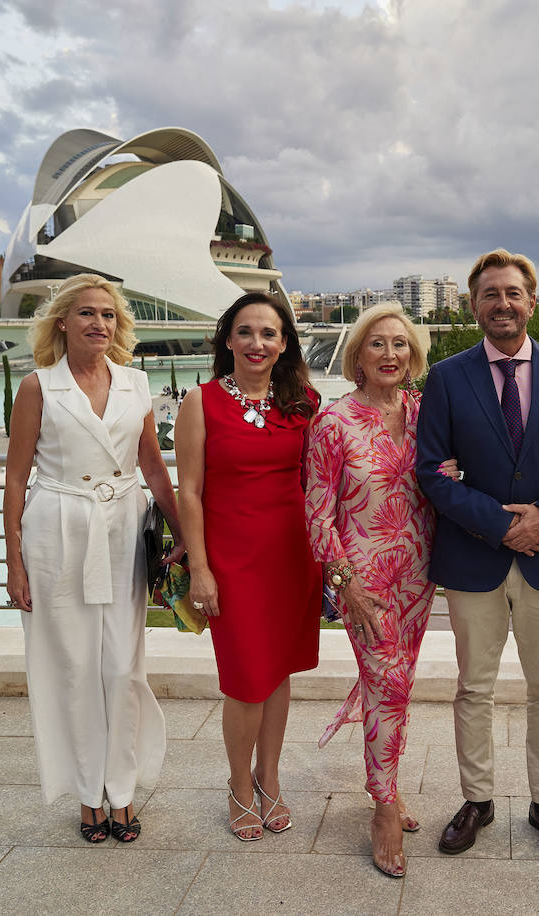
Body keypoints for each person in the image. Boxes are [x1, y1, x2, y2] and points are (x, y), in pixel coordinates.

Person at [416, 248, 539, 860]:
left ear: (532, 301)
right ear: (473, 305)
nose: (502, 303)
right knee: (474, 687)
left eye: (513, 292)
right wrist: (501, 526)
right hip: (474, 558)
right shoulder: (445, 377)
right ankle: (478, 798)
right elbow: (433, 476)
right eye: (490, 294)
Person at [3, 272, 183, 844]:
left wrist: (185, 538)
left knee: (122, 669)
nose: (98, 324)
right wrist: (13, 561)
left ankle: (123, 790)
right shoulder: (38, 386)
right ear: (63, 322)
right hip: (57, 532)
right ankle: (89, 795)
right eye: (86, 313)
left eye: (108, 315)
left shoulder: (135, 382)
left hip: (123, 530)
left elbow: (153, 467)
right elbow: (14, 477)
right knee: (75, 669)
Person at [174, 291, 321, 843]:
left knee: (277, 672)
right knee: (244, 680)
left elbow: (321, 479)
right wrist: (201, 569)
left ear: (284, 343)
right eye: (245, 332)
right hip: (232, 562)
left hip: (291, 558)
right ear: (227, 340)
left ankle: (270, 778)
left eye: (269, 334)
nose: (257, 343)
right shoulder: (202, 402)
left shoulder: (303, 400)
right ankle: (239, 785)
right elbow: (189, 492)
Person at [304, 303, 435, 878]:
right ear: (356, 355)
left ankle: (386, 778)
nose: (390, 354)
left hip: (420, 575)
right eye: (377, 344)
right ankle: (384, 804)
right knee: (388, 682)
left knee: (395, 685)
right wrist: (343, 585)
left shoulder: (426, 411)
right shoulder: (334, 422)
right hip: (365, 582)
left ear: (414, 356)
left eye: (400, 345)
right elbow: (316, 514)